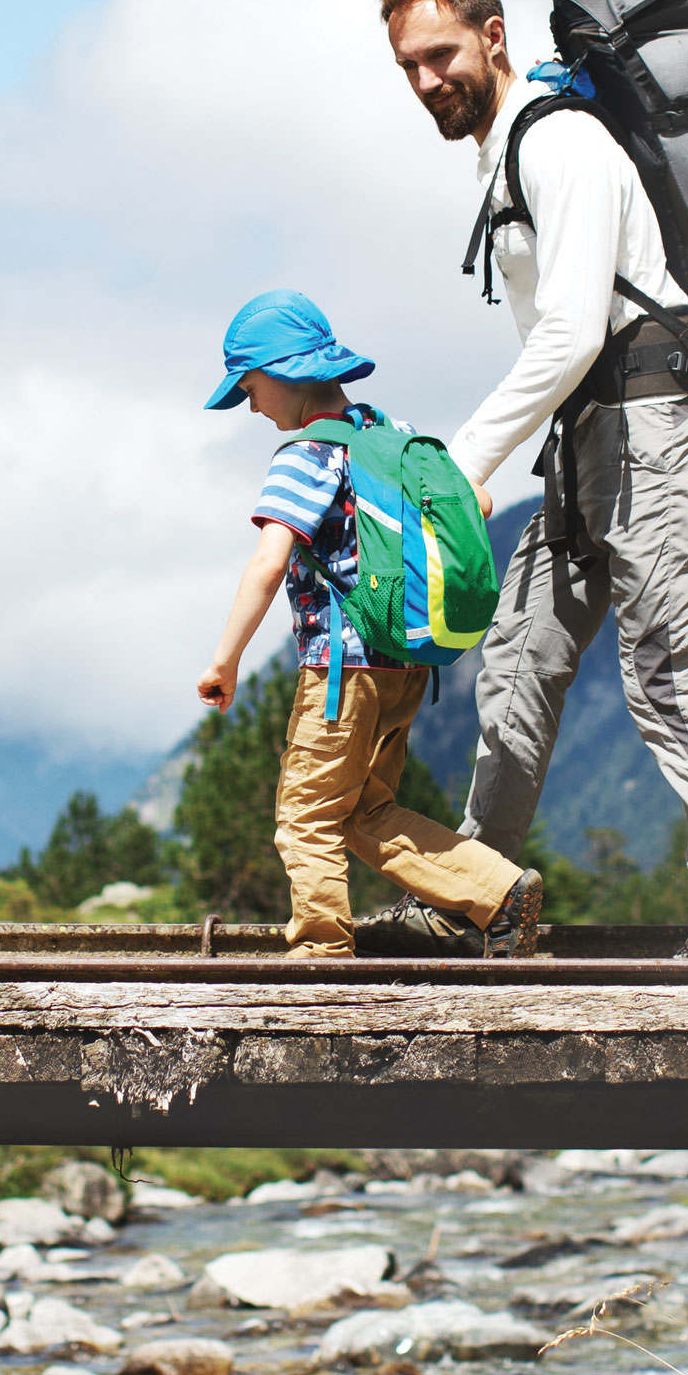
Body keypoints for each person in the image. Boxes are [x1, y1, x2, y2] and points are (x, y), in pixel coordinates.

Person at [371, 0, 688, 959]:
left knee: (670, 669)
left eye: (441, 54)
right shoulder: (511, 154)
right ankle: (478, 897)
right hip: (588, 434)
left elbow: (568, 331)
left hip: (652, 425)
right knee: (516, 657)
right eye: (408, 67)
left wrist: (461, 463)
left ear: (494, 37)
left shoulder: (560, 142)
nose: (428, 80)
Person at [194, 289, 542, 960]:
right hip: (403, 663)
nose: (251, 404)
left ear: (284, 374)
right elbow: (479, 499)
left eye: (250, 387)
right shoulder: (392, 436)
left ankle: (321, 956)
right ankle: (499, 891)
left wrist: (225, 660)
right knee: (365, 813)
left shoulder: (306, 457)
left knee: (306, 815)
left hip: (341, 672)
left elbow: (269, 564)